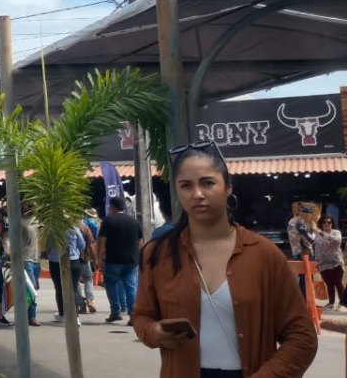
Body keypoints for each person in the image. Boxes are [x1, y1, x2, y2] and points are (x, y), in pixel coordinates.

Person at [134, 142, 317, 377]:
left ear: (228, 187)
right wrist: (155, 332)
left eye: (208, 183)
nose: (198, 194)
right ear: (178, 192)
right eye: (186, 185)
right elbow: (141, 316)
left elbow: (302, 337)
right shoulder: (158, 254)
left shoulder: (263, 254)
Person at [98, 196, 142, 324]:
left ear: (112, 207)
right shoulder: (134, 221)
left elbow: (101, 240)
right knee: (131, 286)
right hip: (131, 260)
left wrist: (99, 257)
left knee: (111, 284)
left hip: (113, 260)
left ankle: (115, 312)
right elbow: (140, 240)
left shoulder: (108, 220)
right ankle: (133, 315)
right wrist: (138, 255)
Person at [47, 224, 86, 322]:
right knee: (73, 289)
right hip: (73, 260)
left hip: (56, 261)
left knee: (59, 288)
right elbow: (82, 245)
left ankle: (62, 314)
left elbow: (47, 246)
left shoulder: (52, 228)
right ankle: (75, 316)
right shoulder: (74, 228)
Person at [314, 214, 345, 311]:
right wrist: (317, 261)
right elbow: (317, 249)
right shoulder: (318, 234)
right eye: (324, 222)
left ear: (332, 223)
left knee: (338, 283)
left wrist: (322, 234)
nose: (327, 224)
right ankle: (331, 303)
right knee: (329, 284)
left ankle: (342, 304)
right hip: (323, 263)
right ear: (321, 224)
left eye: (329, 222)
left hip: (335, 262)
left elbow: (336, 242)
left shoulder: (336, 232)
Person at [19, 209, 42, 327]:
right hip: (26, 259)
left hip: (36, 258)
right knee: (31, 289)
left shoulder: (37, 221)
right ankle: (31, 316)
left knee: (33, 288)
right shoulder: (20, 222)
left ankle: (28, 314)